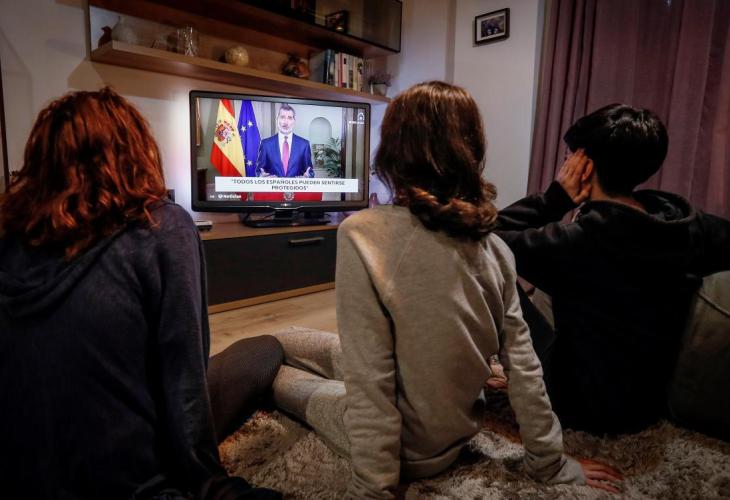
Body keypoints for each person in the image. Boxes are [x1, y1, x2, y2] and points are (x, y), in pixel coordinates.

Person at [270, 82, 622, 499]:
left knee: (276, 372)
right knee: (287, 338)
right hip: (455, 431)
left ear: (393, 149)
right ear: (470, 152)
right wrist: (549, 461)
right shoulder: (495, 248)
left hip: (409, 449)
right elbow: (524, 369)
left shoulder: (362, 234)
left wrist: (373, 489)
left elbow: (370, 382)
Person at [0, 88, 282, 500]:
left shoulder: (10, 241)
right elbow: (184, 376)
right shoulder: (161, 227)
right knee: (267, 349)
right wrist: (208, 481)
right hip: (136, 483)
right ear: (136, 153)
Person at [495, 103, 730, 435]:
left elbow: (484, 238)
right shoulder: (686, 227)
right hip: (644, 406)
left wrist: (554, 200)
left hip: (574, 404)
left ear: (584, 167)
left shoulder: (576, 243)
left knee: (497, 276)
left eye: (568, 158)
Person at [255, 103, 314, 178]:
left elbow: (310, 172)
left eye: (289, 118)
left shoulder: (304, 145)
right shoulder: (265, 144)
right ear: (277, 120)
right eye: (282, 117)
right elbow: (259, 171)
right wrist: (261, 176)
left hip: (296, 186)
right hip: (274, 186)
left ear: (294, 121)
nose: (286, 122)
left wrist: (308, 176)